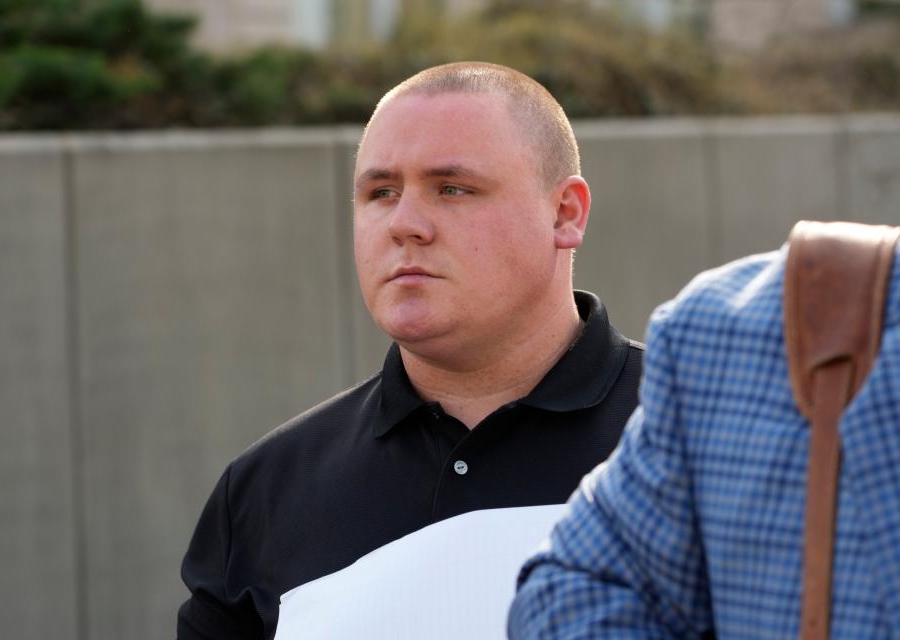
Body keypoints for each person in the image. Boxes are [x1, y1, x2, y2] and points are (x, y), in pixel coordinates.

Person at [177, 61, 644, 639]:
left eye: (452, 188)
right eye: (380, 192)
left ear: (565, 212)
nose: (405, 224)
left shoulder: (706, 442)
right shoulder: (262, 493)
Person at [509, 188, 900, 639]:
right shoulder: (729, 344)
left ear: (567, 213)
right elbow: (572, 594)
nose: (427, 226)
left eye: (454, 190)